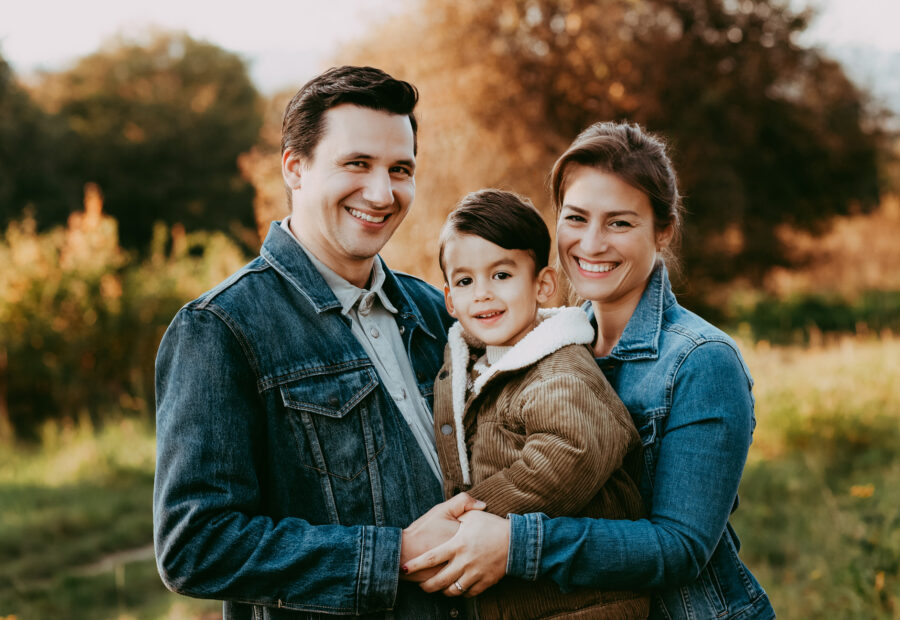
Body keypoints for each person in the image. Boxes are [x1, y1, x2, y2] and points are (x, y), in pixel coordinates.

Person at [402, 122, 777, 620]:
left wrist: (515, 542)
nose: (592, 244)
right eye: (576, 218)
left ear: (663, 231)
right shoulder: (540, 343)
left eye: (619, 223)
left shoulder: (701, 360)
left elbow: (681, 547)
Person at [153, 65, 480, 619]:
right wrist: (391, 556)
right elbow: (195, 545)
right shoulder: (221, 328)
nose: (382, 193)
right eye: (356, 163)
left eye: (400, 169)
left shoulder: (434, 310)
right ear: (295, 169)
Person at [432, 189, 649, 619]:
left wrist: (464, 517)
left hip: (585, 606)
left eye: (501, 275)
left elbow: (570, 454)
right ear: (449, 300)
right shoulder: (471, 368)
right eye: (465, 281)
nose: (483, 294)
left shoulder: (560, 369)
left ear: (543, 284)